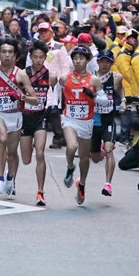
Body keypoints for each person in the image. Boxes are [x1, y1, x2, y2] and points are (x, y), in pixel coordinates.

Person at [0, 38, 39, 197]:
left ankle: (9, 177)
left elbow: (35, 99)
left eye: (10, 52)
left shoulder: (20, 75)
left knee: (12, 153)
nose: (7, 55)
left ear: (15, 56)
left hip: (15, 116)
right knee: (1, 138)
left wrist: (20, 97)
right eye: (4, 52)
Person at [57, 46, 105, 205]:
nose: (78, 61)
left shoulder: (94, 80)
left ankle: (82, 185)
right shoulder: (66, 78)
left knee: (85, 158)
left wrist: (93, 96)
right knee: (71, 147)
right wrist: (54, 104)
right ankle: (70, 167)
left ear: (87, 60)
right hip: (69, 118)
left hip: (86, 121)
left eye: (81, 58)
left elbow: (105, 101)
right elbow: (58, 86)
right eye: (75, 58)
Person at [19, 41, 57, 206]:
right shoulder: (22, 74)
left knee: (40, 153)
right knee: (26, 159)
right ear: (30, 57)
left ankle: (40, 191)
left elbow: (57, 94)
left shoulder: (51, 76)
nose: (38, 60)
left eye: (41, 57)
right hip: (24, 117)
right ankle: (9, 177)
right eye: (35, 57)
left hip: (41, 117)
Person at [89, 49, 126, 197]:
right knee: (96, 158)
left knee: (110, 150)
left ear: (112, 63)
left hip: (108, 119)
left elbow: (121, 87)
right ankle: (101, 149)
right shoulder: (91, 78)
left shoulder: (116, 78)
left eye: (108, 62)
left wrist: (123, 100)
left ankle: (108, 184)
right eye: (102, 61)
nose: (104, 65)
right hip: (93, 120)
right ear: (98, 62)